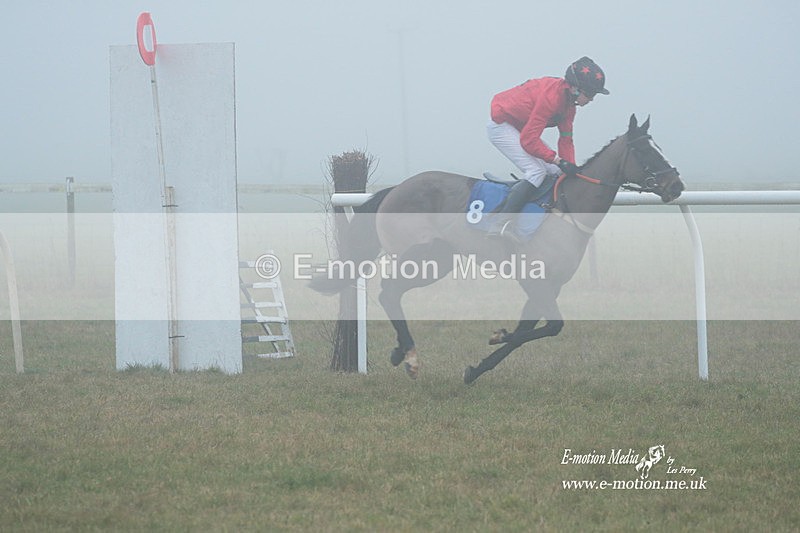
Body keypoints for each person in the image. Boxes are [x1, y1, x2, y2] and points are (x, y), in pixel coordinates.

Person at [487, 56, 609, 236]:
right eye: (590, 94)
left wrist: (569, 166)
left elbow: (566, 140)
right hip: (501, 126)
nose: (591, 99)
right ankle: (501, 223)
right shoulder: (551, 98)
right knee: (536, 171)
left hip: (520, 128)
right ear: (575, 89)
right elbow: (529, 141)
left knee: (557, 172)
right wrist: (558, 160)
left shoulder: (569, 106)